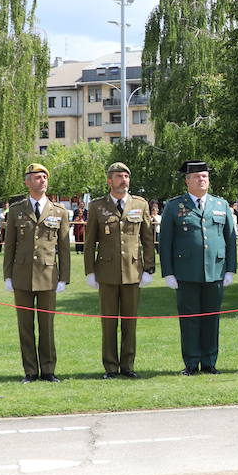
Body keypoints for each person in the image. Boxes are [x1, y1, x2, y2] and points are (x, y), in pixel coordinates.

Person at [159, 160, 237, 375]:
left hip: (215, 271)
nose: (201, 180)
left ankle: (210, 362)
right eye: (197, 177)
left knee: (212, 319)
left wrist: (230, 269)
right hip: (186, 272)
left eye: (205, 176)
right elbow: (165, 242)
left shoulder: (220, 205)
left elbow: (230, 239)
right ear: (187, 181)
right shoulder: (174, 206)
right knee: (190, 320)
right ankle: (192, 363)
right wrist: (169, 273)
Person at [84, 162, 154, 379]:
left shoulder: (140, 204)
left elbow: (148, 239)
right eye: (118, 176)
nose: (123, 180)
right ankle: (110, 367)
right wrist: (90, 271)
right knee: (108, 322)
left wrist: (149, 268)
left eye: (126, 176)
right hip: (106, 271)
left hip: (133, 270)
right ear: (109, 181)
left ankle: (128, 365)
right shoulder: (97, 206)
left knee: (130, 322)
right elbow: (89, 242)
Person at [2, 163, 71, 382]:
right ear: (27, 182)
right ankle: (30, 371)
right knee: (25, 327)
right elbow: (9, 245)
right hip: (22, 275)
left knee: (46, 326)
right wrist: (7, 276)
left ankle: (49, 370)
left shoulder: (58, 211)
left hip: (48, 275)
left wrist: (64, 277)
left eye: (44, 177)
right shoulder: (16, 210)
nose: (42, 180)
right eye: (37, 177)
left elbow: (64, 248)